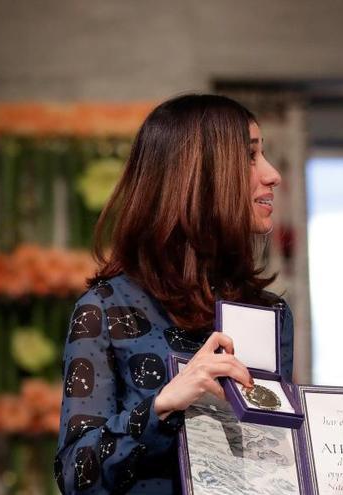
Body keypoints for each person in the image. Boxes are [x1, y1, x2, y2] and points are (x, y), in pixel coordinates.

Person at [54, 94, 291, 494]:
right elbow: (76, 476)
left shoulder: (270, 311)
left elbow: (276, 460)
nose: (272, 175)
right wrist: (164, 404)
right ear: (198, 175)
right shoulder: (106, 308)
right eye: (250, 157)